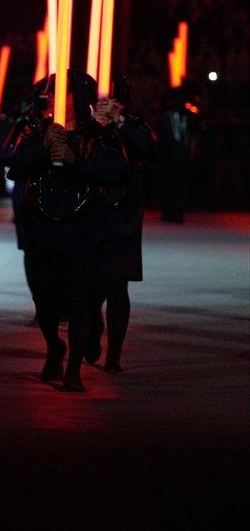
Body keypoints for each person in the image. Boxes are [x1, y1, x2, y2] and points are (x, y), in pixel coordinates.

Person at [6, 71, 129, 392]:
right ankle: (53, 347)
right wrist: (44, 148)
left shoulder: (97, 134)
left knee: (80, 299)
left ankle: (73, 368)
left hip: (84, 228)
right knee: (45, 301)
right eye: (50, 94)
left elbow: (115, 172)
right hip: (42, 227)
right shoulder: (36, 130)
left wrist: (75, 161)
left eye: (64, 93)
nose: (55, 100)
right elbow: (15, 167)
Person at [89, 77, 155, 373]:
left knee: (117, 286)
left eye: (110, 102)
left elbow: (149, 151)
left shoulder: (135, 126)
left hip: (122, 215)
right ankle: (90, 330)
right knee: (89, 287)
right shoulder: (83, 127)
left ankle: (114, 355)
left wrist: (119, 122)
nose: (104, 107)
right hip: (89, 214)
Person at [156, 86, 198, 223]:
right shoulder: (167, 116)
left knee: (176, 184)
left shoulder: (187, 115)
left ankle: (174, 212)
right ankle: (172, 212)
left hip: (178, 154)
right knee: (172, 184)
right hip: (172, 154)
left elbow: (193, 135)